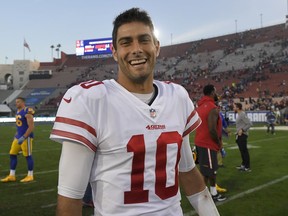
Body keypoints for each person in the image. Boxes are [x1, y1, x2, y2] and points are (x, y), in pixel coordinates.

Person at [50, 7, 220, 216]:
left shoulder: (177, 96)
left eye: (144, 40)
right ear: (114, 52)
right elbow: (70, 198)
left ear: (156, 47)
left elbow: (187, 171)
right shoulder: (91, 100)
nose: (136, 49)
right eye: (126, 42)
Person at [194, 84, 227, 202]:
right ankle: (210, 195)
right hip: (208, 143)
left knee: (206, 171)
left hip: (200, 141)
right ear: (212, 92)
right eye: (215, 91)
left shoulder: (200, 106)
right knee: (210, 171)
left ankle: (204, 195)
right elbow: (212, 129)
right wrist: (218, 143)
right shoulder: (212, 107)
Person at [1, 97, 35, 183]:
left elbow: (31, 127)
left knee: (28, 156)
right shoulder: (18, 111)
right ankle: (12, 175)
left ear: (23, 102)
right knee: (12, 154)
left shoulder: (27, 111)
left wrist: (24, 137)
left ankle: (30, 175)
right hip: (18, 137)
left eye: (18, 102)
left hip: (26, 137)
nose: (16, 103)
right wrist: (16, 135)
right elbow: (19, 126)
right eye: (16, 102)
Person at [233, 102, 253, 172]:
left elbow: (250, 124)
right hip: (239, 135)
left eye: (234, 107)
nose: (233, 108)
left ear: (238, 108)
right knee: (242, 151)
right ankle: (243, 165)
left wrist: (242, 129)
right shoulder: (239, 114)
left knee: (244, 151)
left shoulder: (242, 114)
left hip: (243, 135)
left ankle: (247, 167)